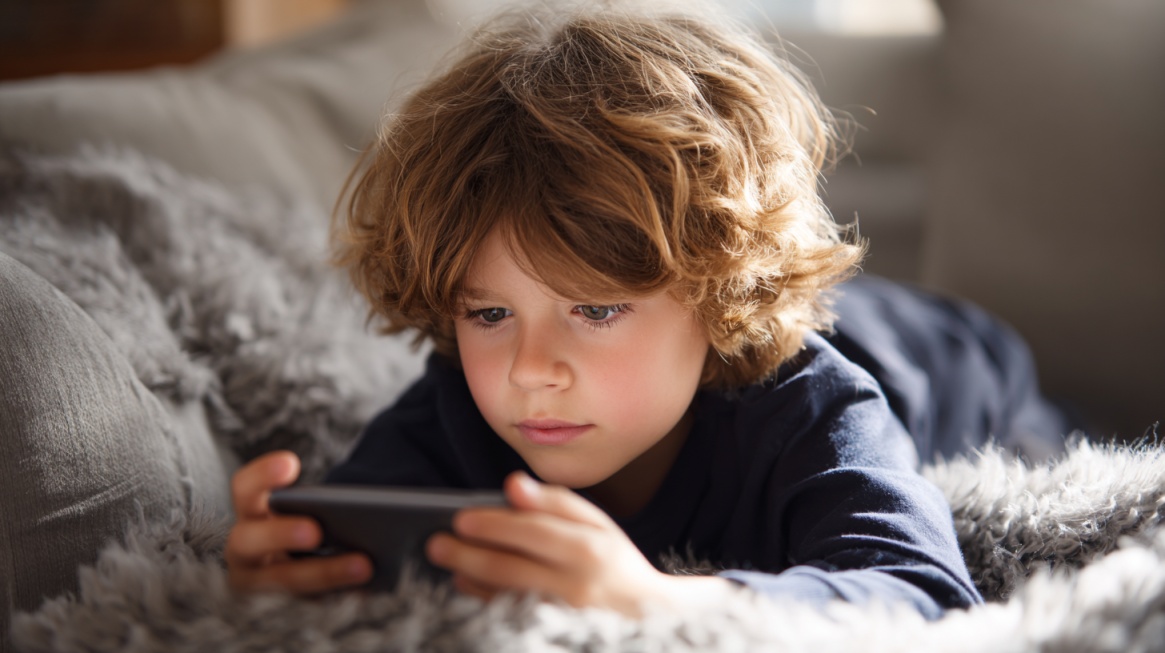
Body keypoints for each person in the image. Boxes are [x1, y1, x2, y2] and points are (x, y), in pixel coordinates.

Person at [225, 6, 1066, 619]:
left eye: (592, 308)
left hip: (950, 357)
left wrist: (658, 599)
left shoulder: (814, 409)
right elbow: (358, 549)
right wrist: (292, 561)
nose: (528, 369)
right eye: (488, 314)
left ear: (715, 296)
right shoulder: (448, 414)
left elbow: (919, 595)